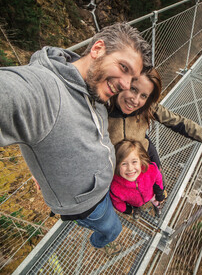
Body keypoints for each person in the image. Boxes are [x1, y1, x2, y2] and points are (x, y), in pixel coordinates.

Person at [0, 22, 152, 256]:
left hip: (103, 189)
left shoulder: (92, 87)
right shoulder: (46, 89)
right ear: (98, 48)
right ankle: (99, 243)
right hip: (87, 205)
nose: (124, 85)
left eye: (131, 79)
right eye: (123, 67)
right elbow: (13, 97)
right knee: (114, 229)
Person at [107, 68, 202, 170]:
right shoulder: (101, 110)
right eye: (133, 89)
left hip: (141, 165)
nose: (135, 100)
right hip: (113, 175)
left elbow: (180, 123)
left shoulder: (148, 107)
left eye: (144, 96)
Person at [110, 139, 166, 219]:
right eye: (124, 163)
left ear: (141, 160)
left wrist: (159, 194)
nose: (130, 168)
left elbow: (158, 179)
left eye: (134, 162)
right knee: (135, 206)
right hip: (134, 202)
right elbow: (117, 202)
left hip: (151, 195)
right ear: (117, 165)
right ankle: (136, 210)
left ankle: (157, 206)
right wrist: (128, 210)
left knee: (156, 201)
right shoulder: (115, 186)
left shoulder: (150, 169)